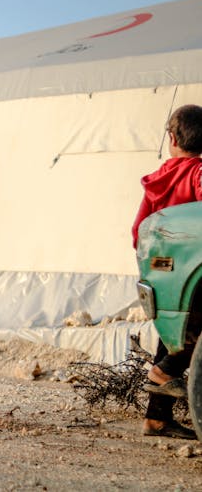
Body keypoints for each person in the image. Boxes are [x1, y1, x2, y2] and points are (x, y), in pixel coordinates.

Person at [132, 104, 202, 440]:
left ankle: (156, 419)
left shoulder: (159, 179)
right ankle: (166, 372)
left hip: (160, 269)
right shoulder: (198, 173)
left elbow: (138, 231)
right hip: (191, 270)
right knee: (190, 334)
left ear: (172, 138)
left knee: (170, 334)